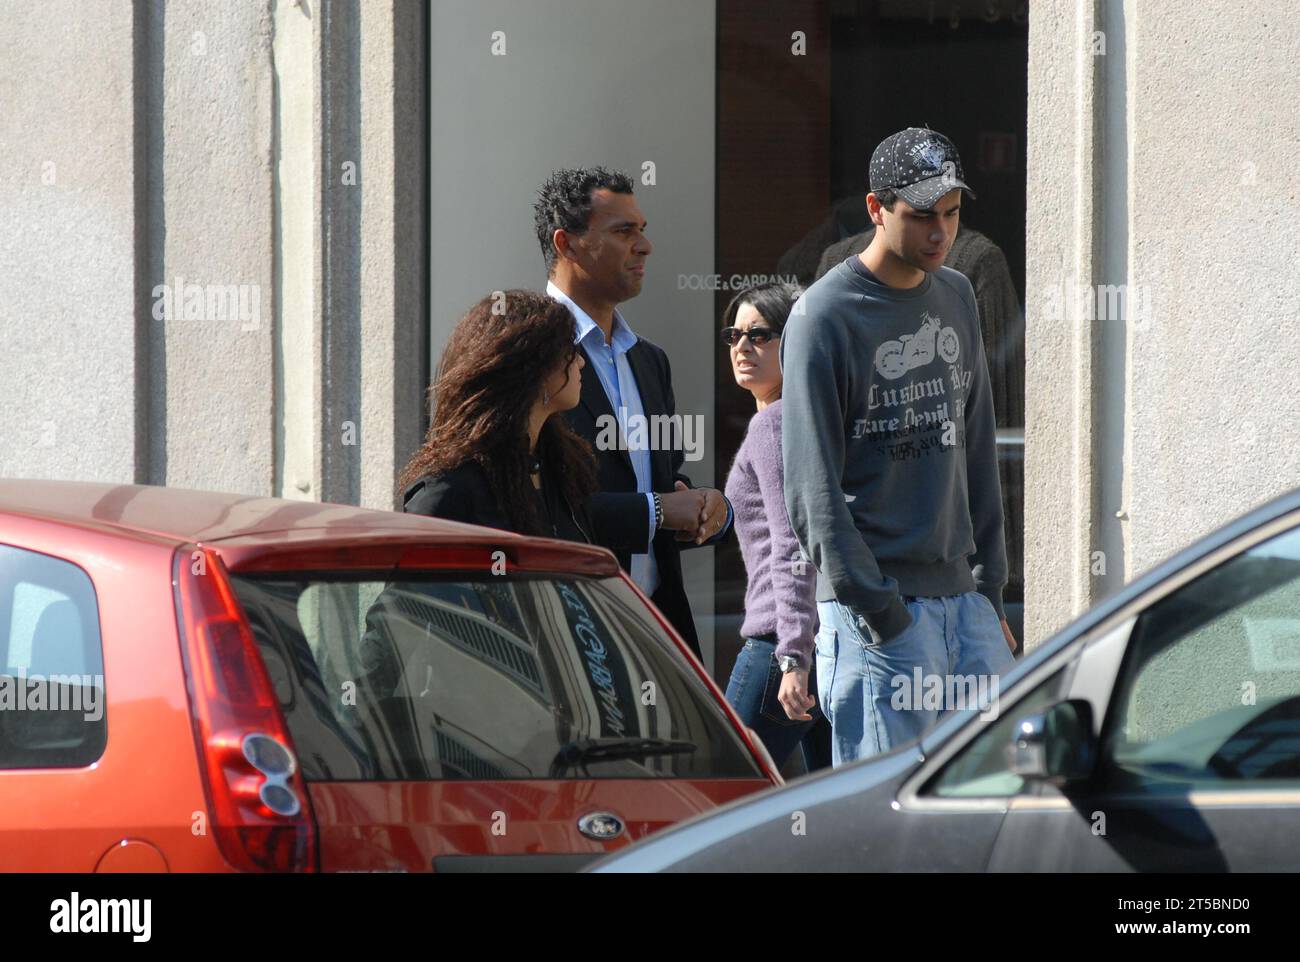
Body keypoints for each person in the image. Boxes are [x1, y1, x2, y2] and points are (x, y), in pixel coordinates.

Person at [781, 127, 1017, 767]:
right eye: (920, 216)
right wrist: (882, 613)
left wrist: (988, 591)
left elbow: (976, 448)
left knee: (992, 808)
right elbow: (810, 491)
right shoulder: (823, 315)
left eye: (952, 213)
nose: (940, 233)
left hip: (963, 606)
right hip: (879, 615)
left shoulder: (959, 294)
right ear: (874, 209)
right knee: (890, 829)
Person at [534, 167, 733, 661]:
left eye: (641, 230)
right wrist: (659, 512)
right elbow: (530, 510)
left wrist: (706, 511)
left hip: (657, 632)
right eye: (624, 231)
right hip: (569, 632)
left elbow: (661, 485)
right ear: (568, 244)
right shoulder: (527, 354)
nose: (644, 246)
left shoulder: (649, 361)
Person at [399, 289, 630, 548]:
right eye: (569, 350)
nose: (580, 362)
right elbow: (415, 588)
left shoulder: (562, 469)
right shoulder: (449, 491)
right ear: (533, 368)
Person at [718, 282, 830, 772]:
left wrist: (791, 657)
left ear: (794, 342)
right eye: (734, 335)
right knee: (820, 802)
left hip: (779, 644)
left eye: (759, 335)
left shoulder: (774, 424)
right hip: (823, 639)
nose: (742, 347)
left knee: (721, 789)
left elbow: (792, 545)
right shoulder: (808, 417)